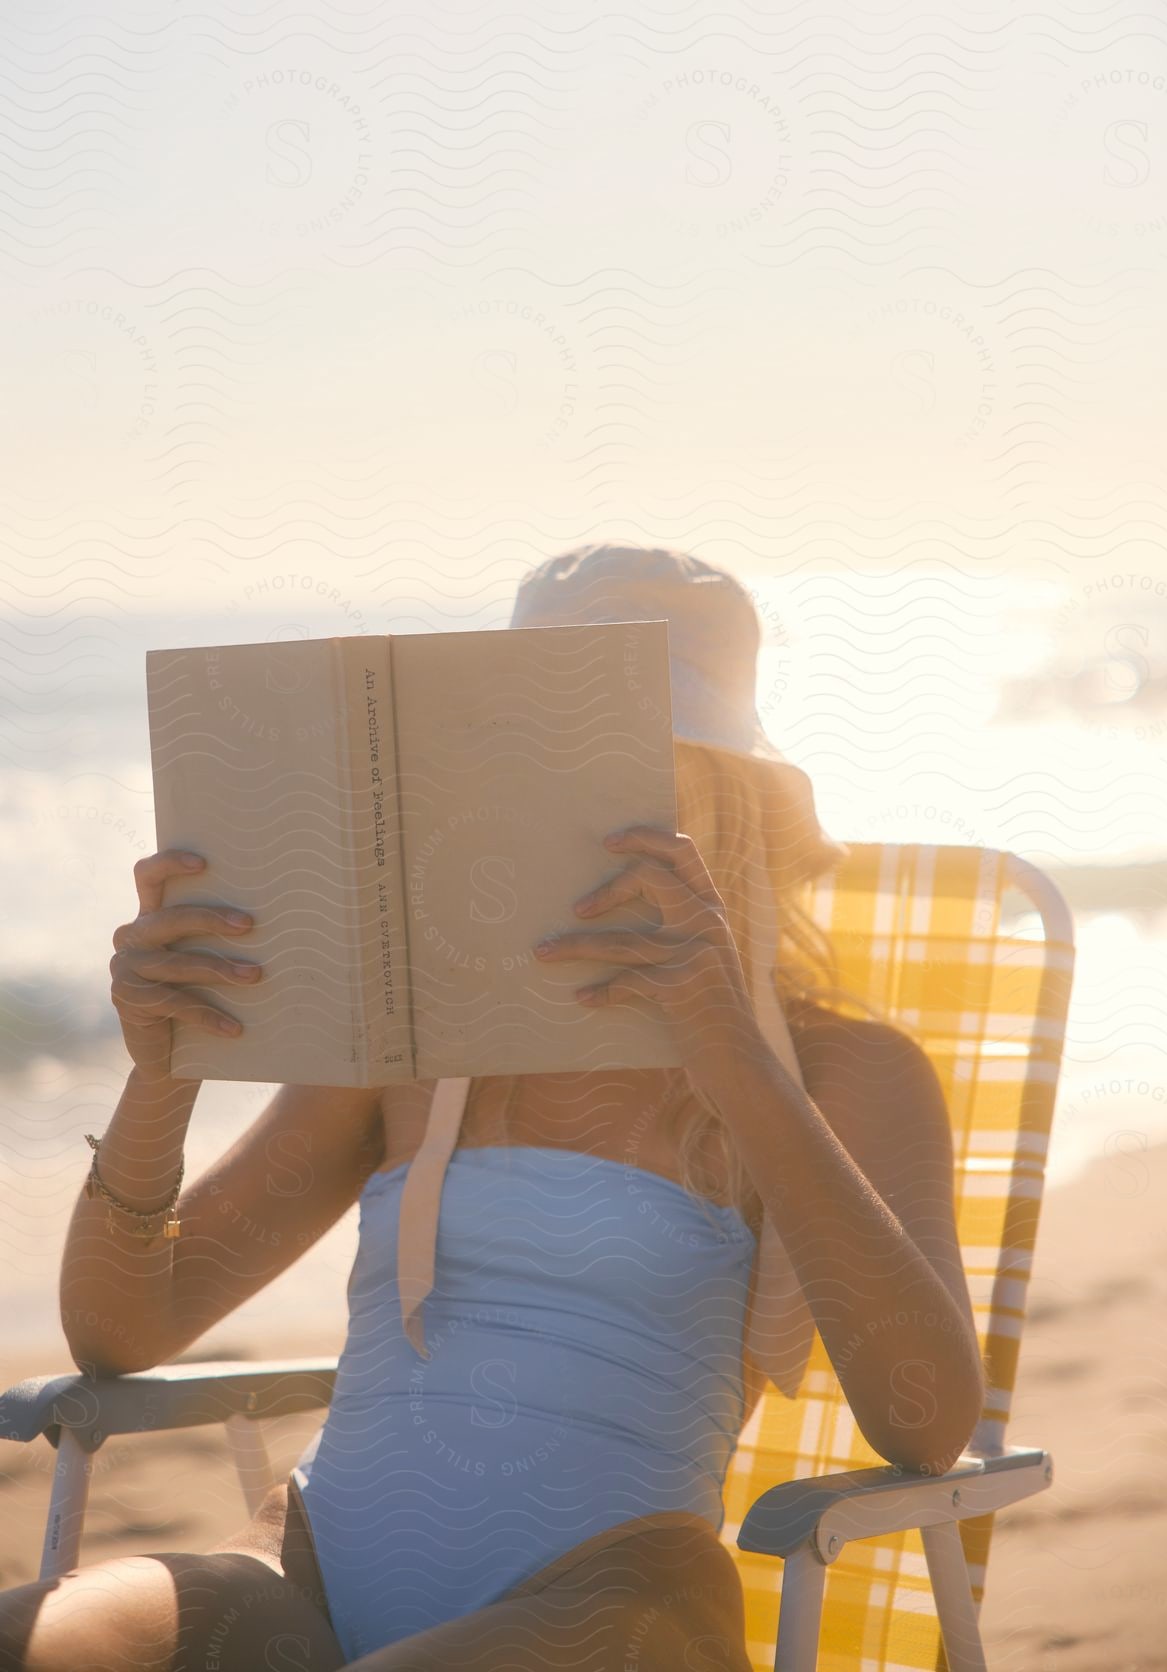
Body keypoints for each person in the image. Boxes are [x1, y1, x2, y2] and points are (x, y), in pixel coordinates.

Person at [0, 544, 985, 1672]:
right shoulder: (407, 1038)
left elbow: (925, 1420)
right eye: (522, 749)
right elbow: (121, 1332)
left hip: (616, 1598)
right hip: (309, 1566)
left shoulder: (842, 1069)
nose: (547, 790)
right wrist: (163, 1072)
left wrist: (728, 1053)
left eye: (611, 759)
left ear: (722, 795)